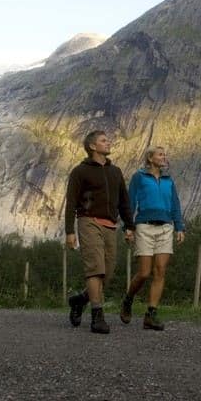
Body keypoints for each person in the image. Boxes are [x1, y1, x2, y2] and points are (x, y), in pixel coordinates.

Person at [65, 130, 134, 334]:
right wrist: (70, 231)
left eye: (108, 139)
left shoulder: (116, 172)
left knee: (108, 272)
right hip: (88, 221)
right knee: (95, 268)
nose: (108, 142)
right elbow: (71, 202)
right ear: (92, 146)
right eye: (103, 140)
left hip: (110, 225)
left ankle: (80, 300)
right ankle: (97, 316)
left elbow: (124, 201)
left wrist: (129, 226)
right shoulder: (80, 171)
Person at [120, 146, 185, 331]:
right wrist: (128, 227)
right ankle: (128, 299)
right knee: (144, 272)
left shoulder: (168, 180)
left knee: (160, 271)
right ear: (150, 158)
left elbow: (175, 205)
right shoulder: (139, 177)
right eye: (160, 154)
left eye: (165, 154)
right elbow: (130, 203)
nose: (164, 157)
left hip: (165, 227)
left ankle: (151, 314)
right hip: (144, 226)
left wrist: (179, 227)